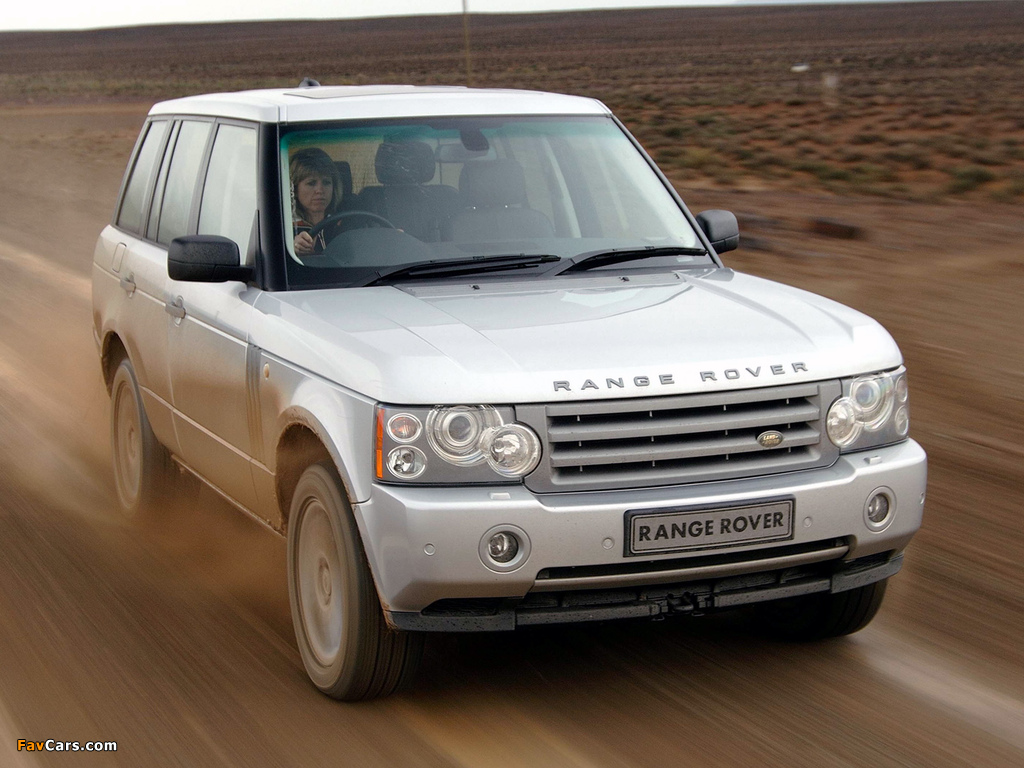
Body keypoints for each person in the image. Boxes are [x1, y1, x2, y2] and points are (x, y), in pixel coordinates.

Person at [290, 147, 343, 256]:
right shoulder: (285, 228)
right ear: (294, 189)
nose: (320, 190)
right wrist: (291, 249)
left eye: (326, 182)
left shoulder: (343, 224)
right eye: (311, 183)